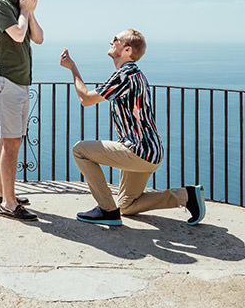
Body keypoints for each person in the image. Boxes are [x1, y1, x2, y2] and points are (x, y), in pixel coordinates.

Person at [60, 29, 204, 227]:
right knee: (127, 206)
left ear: (127, 50)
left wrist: (73, 68)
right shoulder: (134, 74)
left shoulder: (125, 75)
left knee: (80, 150)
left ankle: (107, 210)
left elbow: (85, 99)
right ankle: (186, 196)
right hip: (150, 152)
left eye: (116, 39)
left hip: (137, 151)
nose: (111, 40)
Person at [0, 0, 44, 221]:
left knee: (7, 139)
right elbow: (19, 36)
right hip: (5, 80)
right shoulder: (0, 5)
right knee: (12, 142)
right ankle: (9, 204)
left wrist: (29, 12)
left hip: (19, 82)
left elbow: (38, 38)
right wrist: (23, 11)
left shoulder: (22, 10)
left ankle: (0, 193)